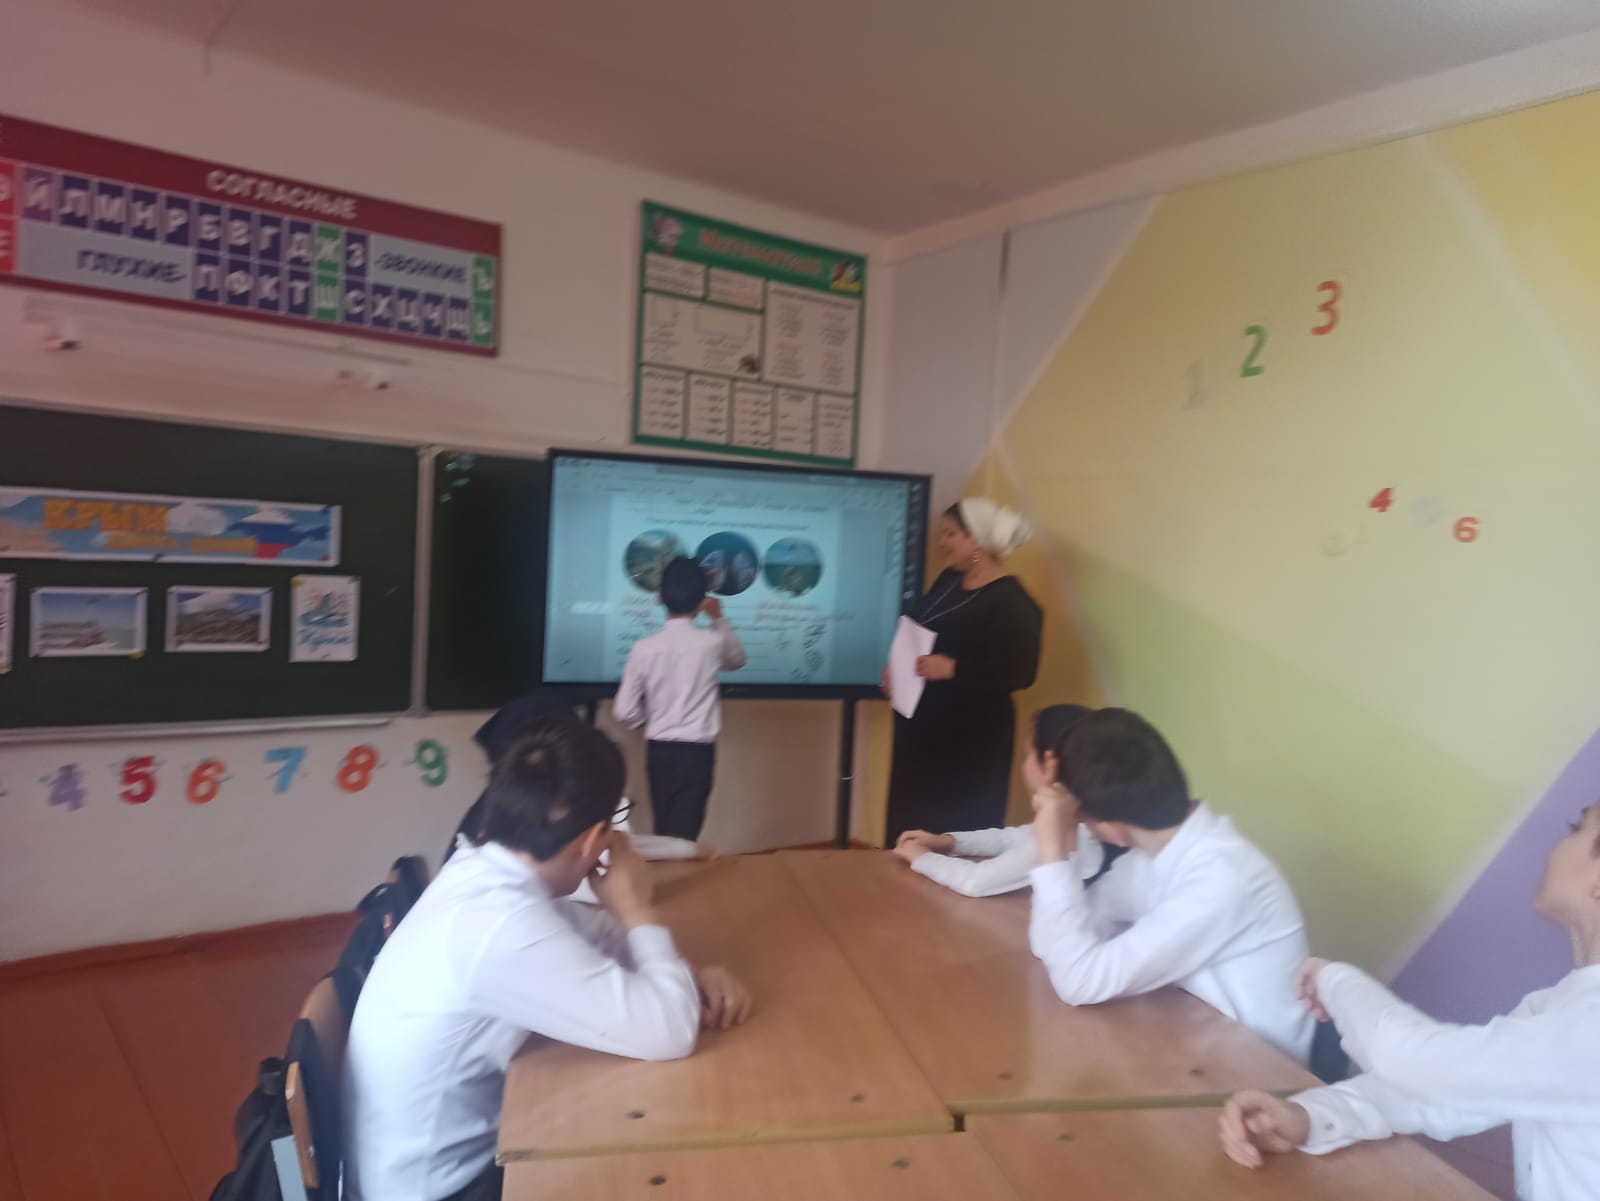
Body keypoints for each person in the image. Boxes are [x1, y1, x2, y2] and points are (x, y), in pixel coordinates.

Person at [343, 713, 751, 1201]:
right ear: (592, 841)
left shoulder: (483, 869)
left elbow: (598, 941)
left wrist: (689, 976)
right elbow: (669, 1033)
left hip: (430, 1161)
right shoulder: (501, 927)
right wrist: (637, 908)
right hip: (443, 1189)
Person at [1218, 805, 1600, 1201]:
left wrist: (1333, 981)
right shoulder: (1558, 1005)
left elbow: (1419, 1063)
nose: (1558, 842)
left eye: (1578, 828)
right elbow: (1450, 1093)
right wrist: (1309, 1116)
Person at [1029, 708, 1314, 1064]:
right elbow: (1050, 947)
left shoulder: (1223, 880)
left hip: (1259, 1075)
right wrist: (1066, 844)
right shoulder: (1151, 856)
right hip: (1186, 1042)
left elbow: (1079, 981)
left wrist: (1052, 849)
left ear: (1113, 830)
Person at [882, 498, 1043, 844]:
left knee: (957, 827)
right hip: (920, 730)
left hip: (969, 740)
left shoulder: (1012, 602)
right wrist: (895, 667)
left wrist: (954, 668)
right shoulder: (948, 581)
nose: (942, 542)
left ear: (977, 539)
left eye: (950, 534)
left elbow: (1021, 671)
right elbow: (920, 624)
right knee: (910, 818)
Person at [890, 703, 1127, 896]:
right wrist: (948, 842)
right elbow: (1012, 838)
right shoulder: (1081, 816)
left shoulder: (1071, 834)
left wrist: (921, 857)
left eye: (1027, 754)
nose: (1024, 764)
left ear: (1049, 763)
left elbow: (976, 881)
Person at [614, 557, 747, 840]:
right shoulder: (711, 643)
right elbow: (737, 660)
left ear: (660, 597)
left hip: (658, 752)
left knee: (663, 829)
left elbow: (624, 710)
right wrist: (718, 618)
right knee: (685, 835)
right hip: (697, 754)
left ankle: (665, 870)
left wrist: (645, 722)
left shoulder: (643, 648)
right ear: (702, 601)